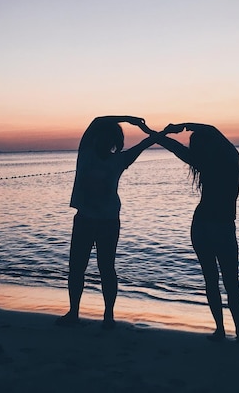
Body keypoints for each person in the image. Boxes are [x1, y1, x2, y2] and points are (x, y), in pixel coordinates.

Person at [154, 122, 239, 343]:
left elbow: (172, 145)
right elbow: (211, 130)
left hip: (202, 225)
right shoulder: (231, 159)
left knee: (213, 279)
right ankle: (236, 330)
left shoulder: (204, 162)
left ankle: (223, 329)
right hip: (219, 226)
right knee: (229, 281)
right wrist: (184, 125)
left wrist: (161, 132)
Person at [56, 116, 156, 329]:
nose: (101, 140)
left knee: (106, 269)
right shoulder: (85, 154)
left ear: (114, 142)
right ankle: (74, 312)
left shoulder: (119, 160)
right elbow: (97, 120)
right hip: (84, 219)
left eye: (107, 138)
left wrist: (161, 132)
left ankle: (108, 316)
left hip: (108, 222)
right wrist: (128, 119)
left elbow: (145, 144)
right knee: (76, 268)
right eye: (100, 136)